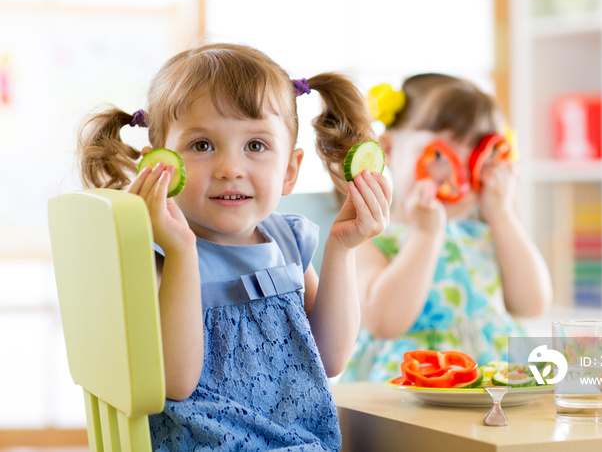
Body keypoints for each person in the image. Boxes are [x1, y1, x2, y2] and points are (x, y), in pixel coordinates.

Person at [76, 43, 391, 450]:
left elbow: (330, 358)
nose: (230, 169)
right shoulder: (156, 254)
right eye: (202, 145)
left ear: (290, 171)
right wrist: (182, 250)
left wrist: (342, 249)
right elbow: (177, 381)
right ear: (159, 164)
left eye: (256, 146)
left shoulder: (288, 241)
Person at [339, 73, 552, 382]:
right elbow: (384, 321)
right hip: (411, 389)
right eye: (440, 155)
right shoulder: (368, 236)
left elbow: (533, 304)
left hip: (493, 386)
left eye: (479, 159)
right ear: (388, 148)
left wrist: (503, 214)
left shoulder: (485, 235)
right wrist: (426, 235)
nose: (459, 178)